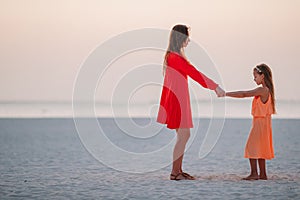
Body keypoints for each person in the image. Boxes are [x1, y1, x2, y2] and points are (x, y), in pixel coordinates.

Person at [157, 24, 225, 180]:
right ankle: (175, 172)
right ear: (181, 37)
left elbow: (191, 72)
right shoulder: (174, 57)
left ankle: (178, 170)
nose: (188, 40)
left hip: (179, 99)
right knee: (184, 135)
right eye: (187, 37)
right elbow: (194, 73)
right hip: (177, 100)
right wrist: (215, 87)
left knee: (183, 135)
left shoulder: (174, 55)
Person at [225, 63, 276, 180]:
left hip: (260, 125)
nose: (254, 79)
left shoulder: (262, 90)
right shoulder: (267, 90)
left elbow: (244, 94)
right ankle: (262, 174)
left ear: (262, 76)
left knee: (251, 148)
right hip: (264, 125)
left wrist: (226, 94)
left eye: (255, 76)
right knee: (260, 149)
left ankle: (254, 173)